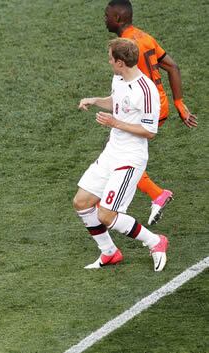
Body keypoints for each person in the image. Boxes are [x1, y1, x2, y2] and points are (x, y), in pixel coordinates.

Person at [74, 38, 169, 271]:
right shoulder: (118, 78)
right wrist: (96, 101)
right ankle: (109, 253)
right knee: (82, 202)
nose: (108, 61)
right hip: (112, 152)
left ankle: (156, 242)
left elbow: (149, 131)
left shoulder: (146, 91)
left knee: (107, 215)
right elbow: (117, 101)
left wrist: (116, 123)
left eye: (110, 58)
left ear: (119, 62)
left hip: (130, 158)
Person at [104, 0, 198, 225]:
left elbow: (126, 82)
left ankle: (157, 195)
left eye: (106, 14)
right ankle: (153, 194)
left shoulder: (124, 47)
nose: (104, 18)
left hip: (145, 107)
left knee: (120, 155)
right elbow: (172, 67)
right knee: (120, 150)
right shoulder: (144, 37)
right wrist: (179, 102)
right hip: (160, 103)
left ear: (117, 18)